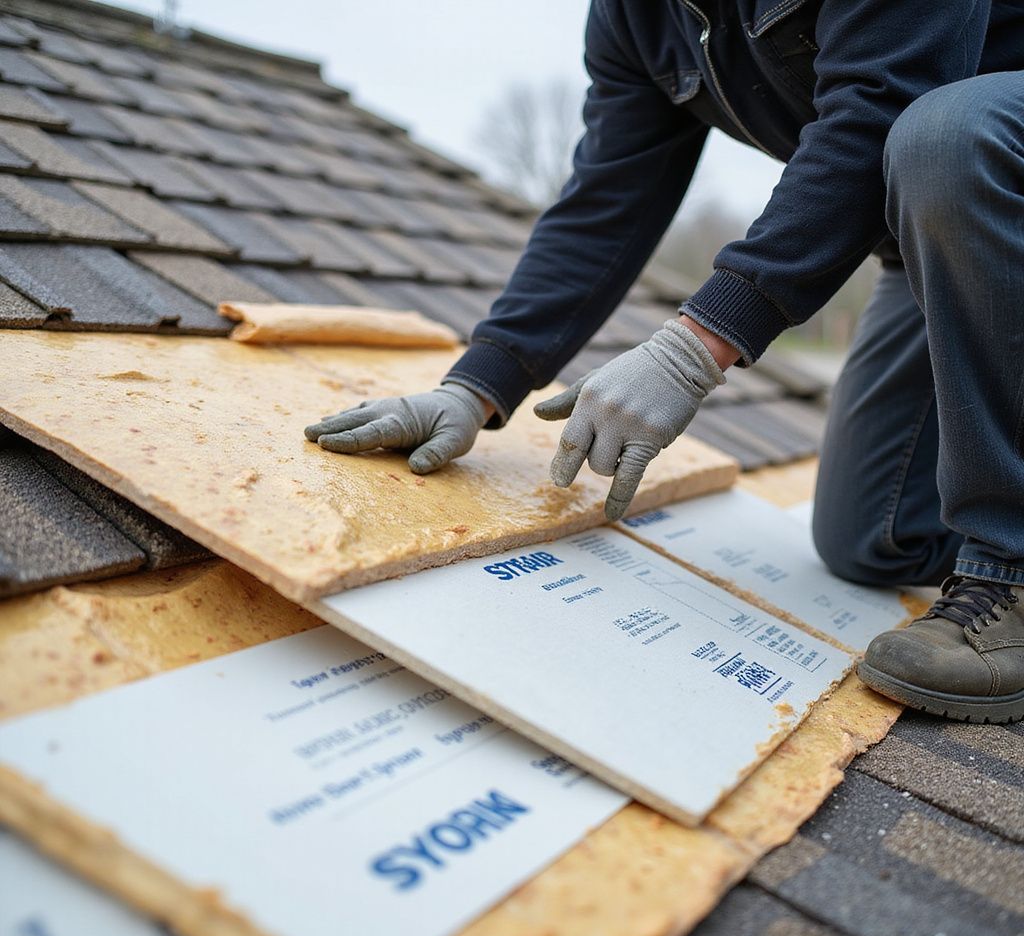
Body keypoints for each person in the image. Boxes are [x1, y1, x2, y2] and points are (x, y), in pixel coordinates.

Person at [305, 1, 1024, 723]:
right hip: (946, 238)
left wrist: (696, 346)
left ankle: (1012, 573)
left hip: (987, 165)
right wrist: (480, 381)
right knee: (876, 542)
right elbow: (606, 201)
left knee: (948, 133)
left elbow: (880, 111)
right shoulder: (635, 16)